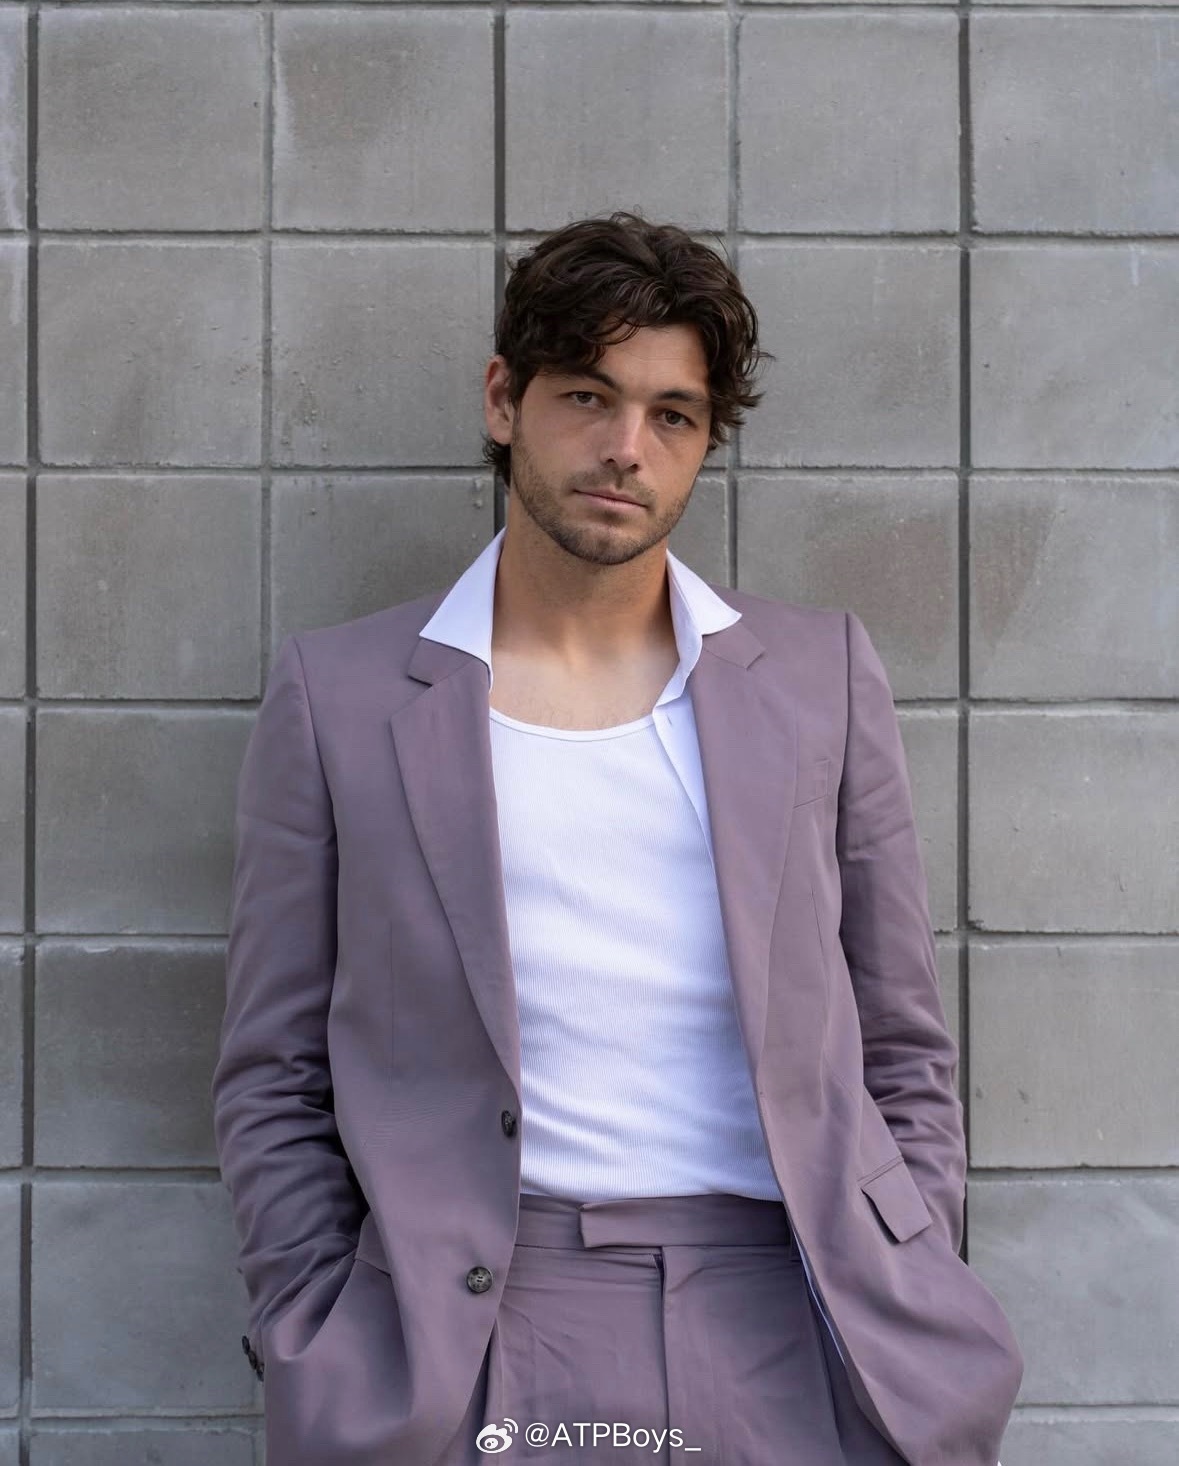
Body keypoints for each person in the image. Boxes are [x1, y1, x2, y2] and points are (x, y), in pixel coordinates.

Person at [212, 212, 1022, 1466]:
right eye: (588, 395)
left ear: (704, 442)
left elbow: (901, 1034)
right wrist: (315, 1315)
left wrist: (913, 1257)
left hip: (800, 1310)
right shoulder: (342, 696)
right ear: (504, 400)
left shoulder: (818, 676)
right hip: (478, 1323)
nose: (625, 447)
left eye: (672, 415)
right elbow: (272, 1067)